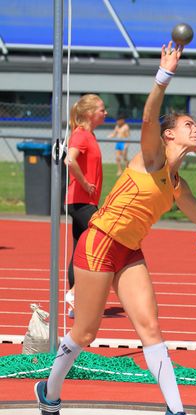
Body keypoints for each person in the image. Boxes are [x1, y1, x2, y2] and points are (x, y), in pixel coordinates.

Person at [34, 41, 196, 415]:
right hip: (98, 243)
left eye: (194, 126)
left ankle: (175, 410)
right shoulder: (151, 157)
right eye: (186, 126)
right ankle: (50, 388)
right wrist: (164, 76)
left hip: (128, 251)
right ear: (167, 135)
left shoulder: (176, 181)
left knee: (150, 327)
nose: (194, 129)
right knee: (87, 332)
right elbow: (148, 116)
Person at [65, 94, 107, 317]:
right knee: (104, 242)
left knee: (80, 249)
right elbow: (69, 160)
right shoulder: (81, 134)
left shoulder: (89, 134)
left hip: (84, 201)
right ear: (90, 113)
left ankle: (76, 302)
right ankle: (76, 293)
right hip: (81, 201)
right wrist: (84, 183)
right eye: (102, 109)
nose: (106, 113)